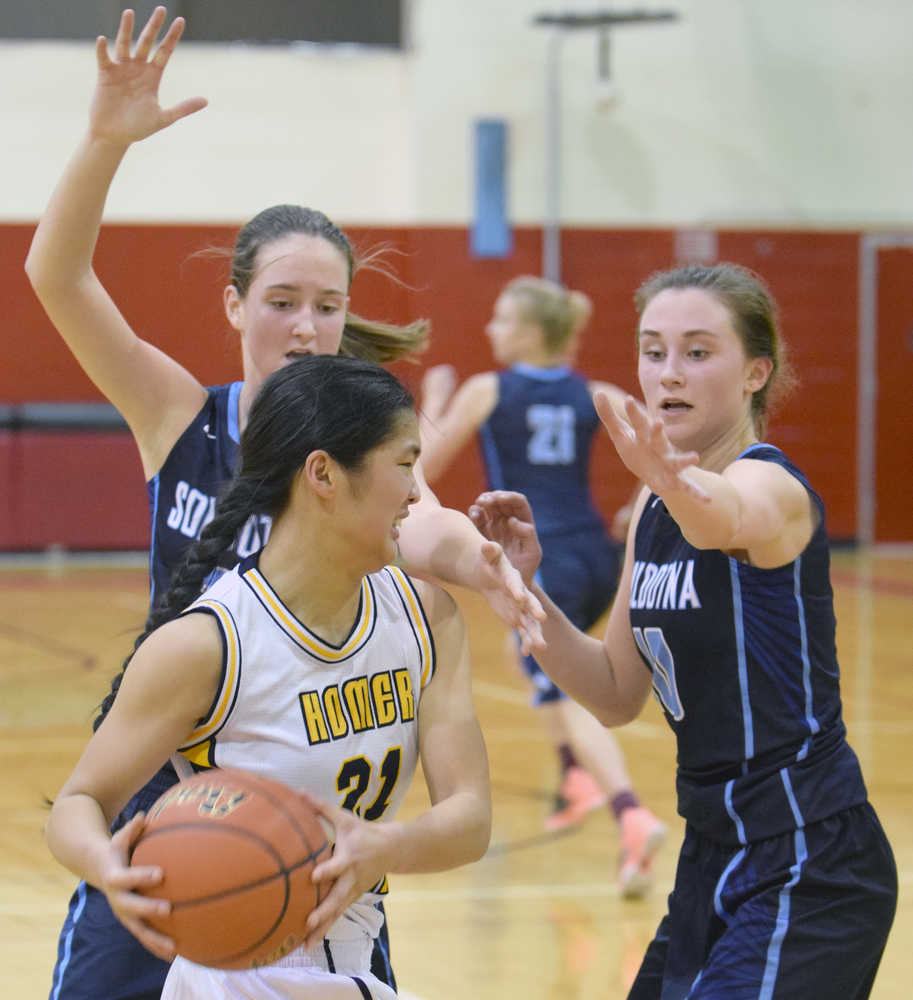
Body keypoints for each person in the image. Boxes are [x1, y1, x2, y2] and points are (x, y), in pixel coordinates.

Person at [24, 9, 540, 999]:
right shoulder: (179, 413)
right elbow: (55, 273)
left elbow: (425, 524)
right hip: (170, 808)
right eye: (281, 301)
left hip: (312, 842)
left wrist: (484, 564)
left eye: (328, 306)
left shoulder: (361, 454)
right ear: (233, 304)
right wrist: (103, 141)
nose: (307, 326)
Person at [470, 262, 897, 999]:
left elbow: (725, 517)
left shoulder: (770, 486)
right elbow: (611, 694)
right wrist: (525, 591)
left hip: (808, 859)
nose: (668, 373)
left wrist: (666, 477)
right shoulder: (653, 510)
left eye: (697, 352)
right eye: (652, 350)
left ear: (754, 372)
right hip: (712, 855)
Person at [45, 354, 492, 1000]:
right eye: (403, 465)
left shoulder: (426, 617)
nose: (418, 492)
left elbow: (470, 818)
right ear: (324, 475)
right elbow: (78, 802)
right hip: (233, 976)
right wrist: (106, 865)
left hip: (354, 962)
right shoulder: (208, 644)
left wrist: (388, 845)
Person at [420, 275, 665, 897]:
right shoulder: (595, 394)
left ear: (529, 331)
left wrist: (433, 399)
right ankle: (571, 775)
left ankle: (629, 812)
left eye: (501, 319)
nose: (490, 330)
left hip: (537, 555)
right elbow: (663, 442)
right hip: (594, 552)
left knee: (564, 685)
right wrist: (639, 507)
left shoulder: (488, 389)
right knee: (529, 655)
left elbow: (420, 465)